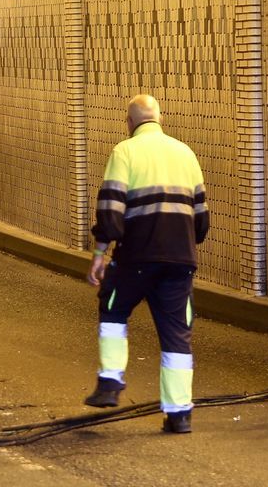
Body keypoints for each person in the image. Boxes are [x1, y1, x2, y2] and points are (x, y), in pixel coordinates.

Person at [84, 94, 208, 435]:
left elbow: (110, 210)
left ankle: (110, 383)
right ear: (159, 118)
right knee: (177, 336)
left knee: (113, 307)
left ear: (130, 122)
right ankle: (179, 413)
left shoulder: (125, 151)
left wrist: (99, 254)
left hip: (136, 257)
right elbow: (202, 218)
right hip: (180, 260)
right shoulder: (185, 153)